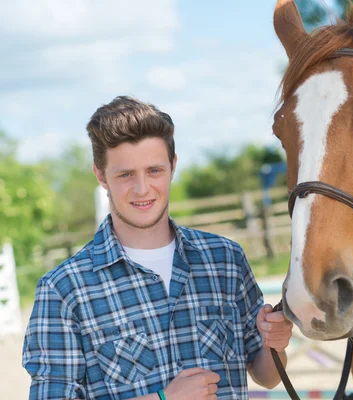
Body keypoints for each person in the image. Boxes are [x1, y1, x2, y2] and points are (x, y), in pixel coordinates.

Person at [22, 96, 293, 400]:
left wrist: (275, 343)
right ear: (101, 176)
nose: (141, 188)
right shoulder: (63, 290)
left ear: (173, 166)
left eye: (154, 171)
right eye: (125, 174)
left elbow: (267, 376)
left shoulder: (226, 260)